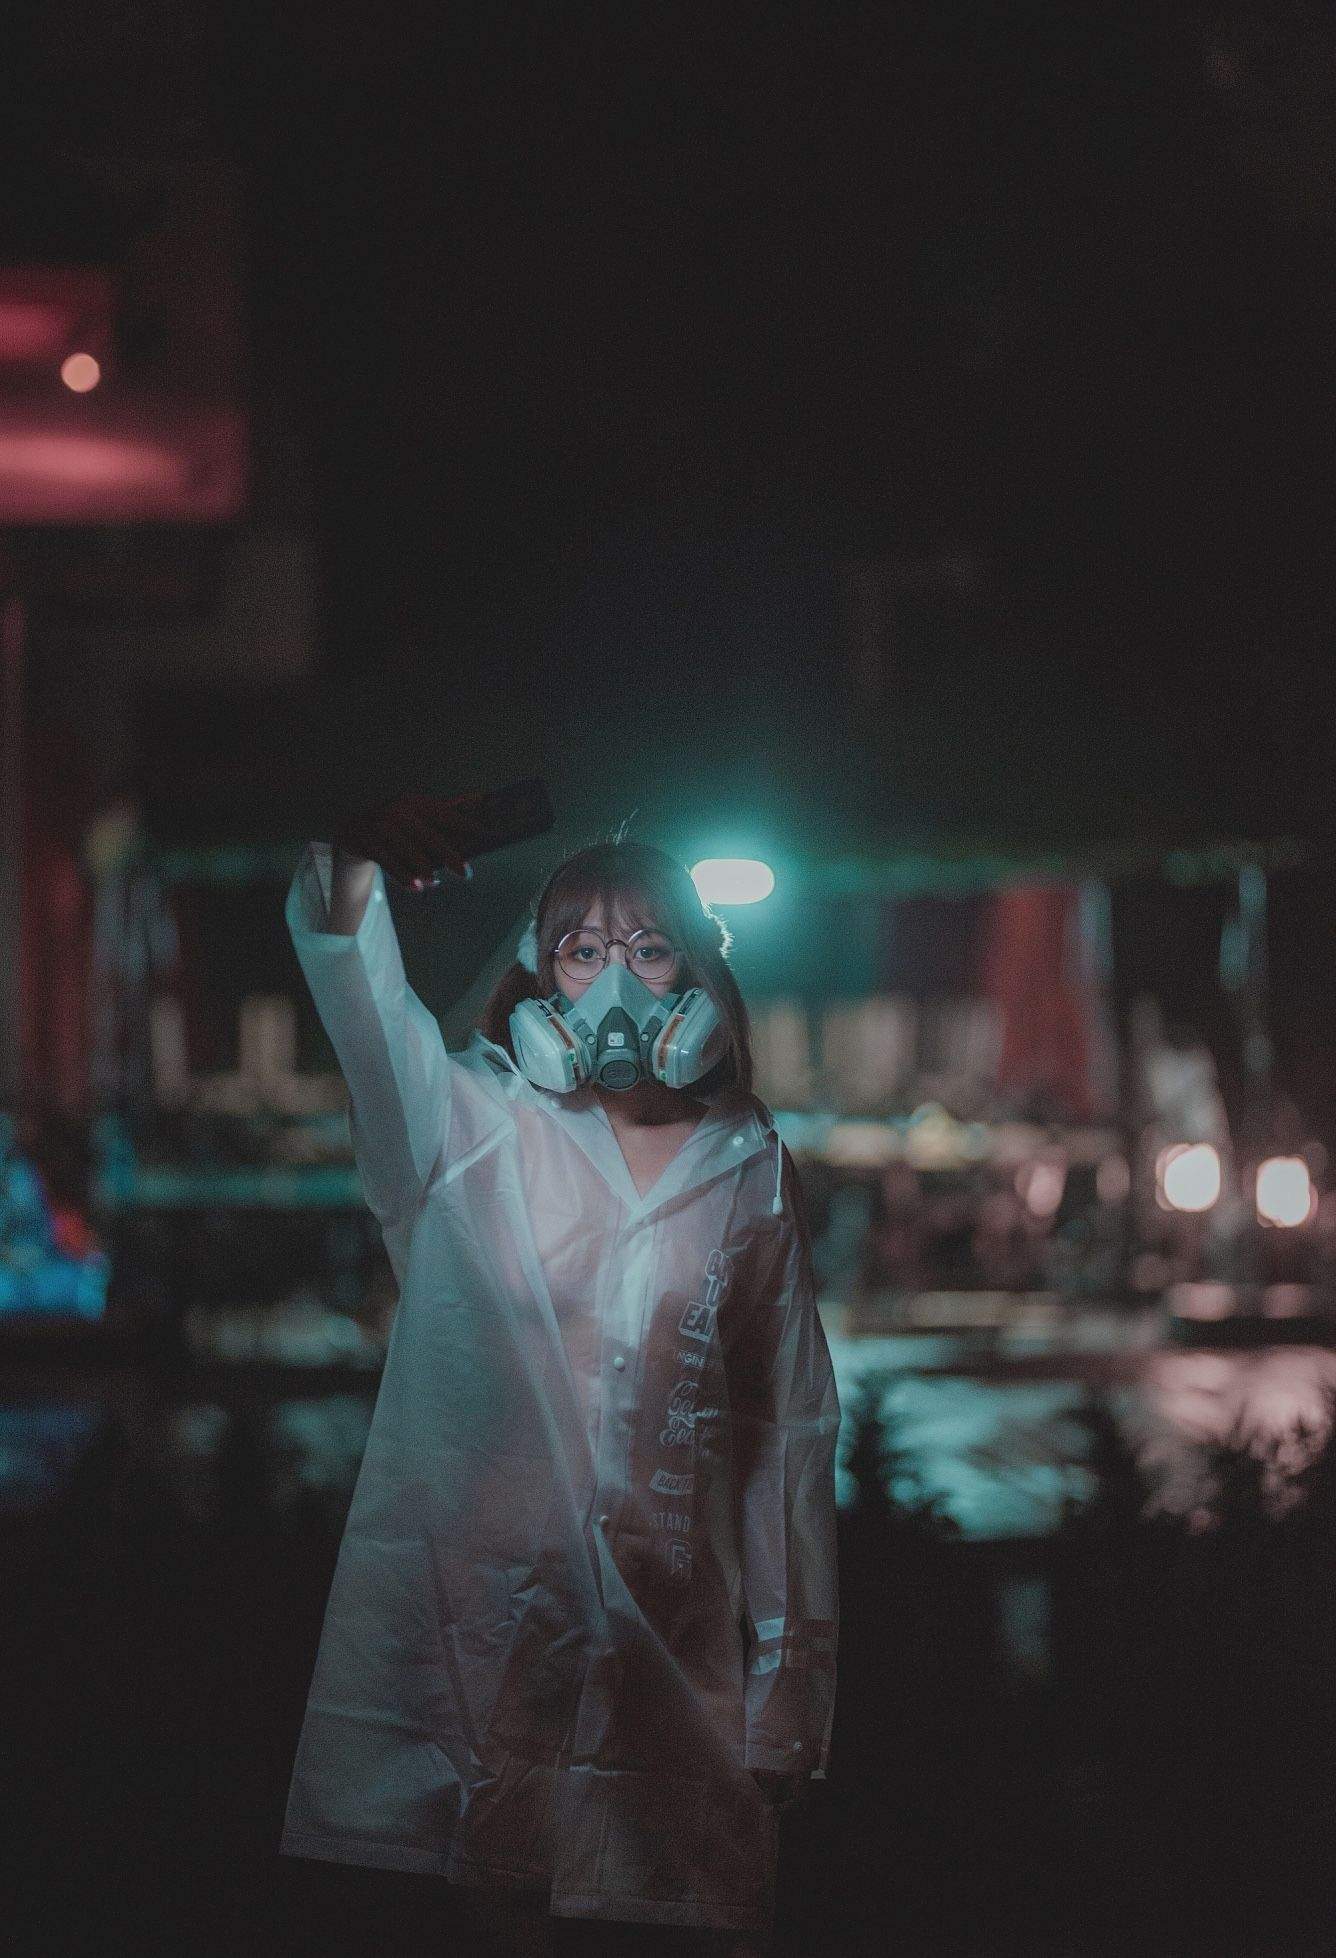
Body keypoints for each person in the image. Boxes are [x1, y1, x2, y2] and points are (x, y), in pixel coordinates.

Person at [278, 795, 841, 1956]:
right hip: (486, 1641)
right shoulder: (462, 1126)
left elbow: (782, 1435)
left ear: (696, 973)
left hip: (669, 1653)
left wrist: (790, 1684)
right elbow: (361, 998)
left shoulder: (747, 1167)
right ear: (539, 979)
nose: (614, 978)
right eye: (582, 949)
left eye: (648, 947)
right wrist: (356, 865)